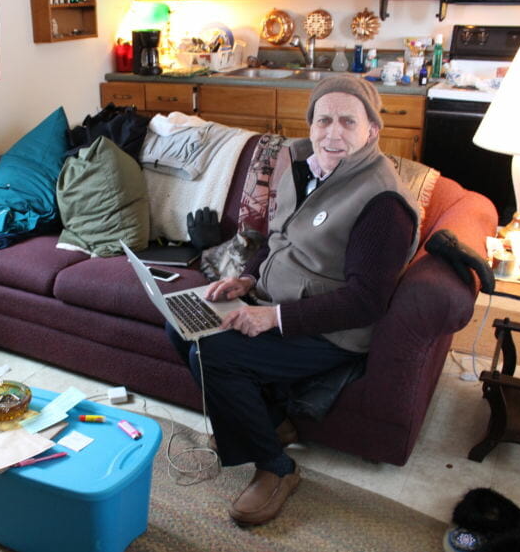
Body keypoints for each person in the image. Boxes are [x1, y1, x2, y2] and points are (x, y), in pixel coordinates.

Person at [167, 74, 421, 526]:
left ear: (372, 130)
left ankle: (277, 467)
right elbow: (277, 239)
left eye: (348, 121)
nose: (333, 132)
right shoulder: (303, 165)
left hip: (331, 332)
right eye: (323, 120)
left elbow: (366, 302)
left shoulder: (383, 202)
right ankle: (270, 423)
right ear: (311, 124)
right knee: (180, 322)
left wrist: (274, 317)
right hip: (273, 299)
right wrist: (246, 279)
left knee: (213, 352)